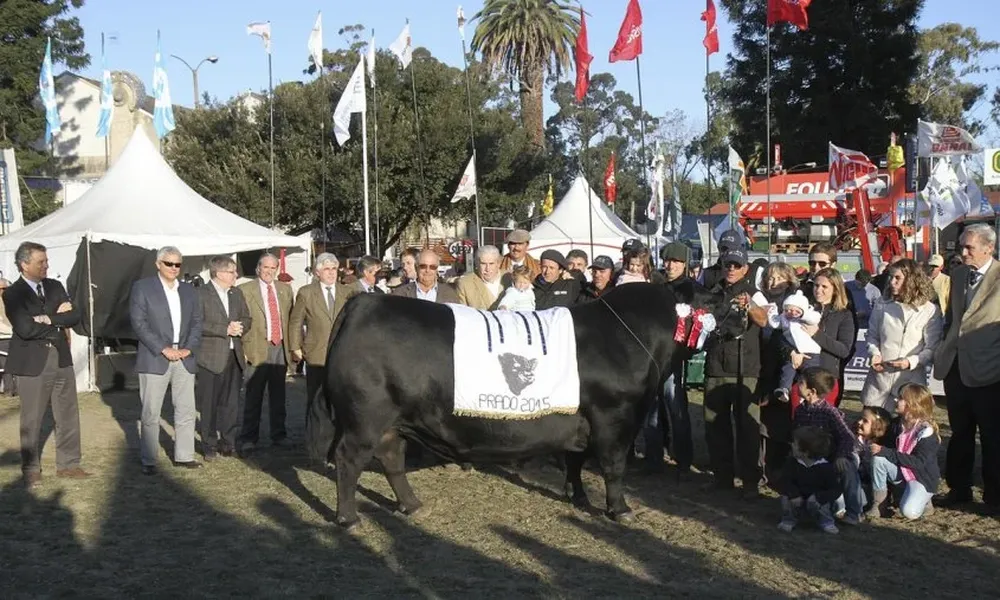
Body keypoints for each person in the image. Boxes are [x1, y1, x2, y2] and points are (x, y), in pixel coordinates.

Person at [6, 241, 88, 487]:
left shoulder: (55, 286)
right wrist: (57, 322)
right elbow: (25, 328)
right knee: (32, 418)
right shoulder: (13, 294)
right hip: (32, 362)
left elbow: (75, 315)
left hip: (61, 357)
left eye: (47, 261)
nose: (46, 265)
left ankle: (69, 464)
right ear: (24, 264)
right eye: (41, 262)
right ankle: (31, 468)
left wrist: (46, 318)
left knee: (68, 413)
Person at [932, 223, 1000, 512]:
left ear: (989, 248)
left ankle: (994, 497)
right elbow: (953, 319)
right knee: (960, 432)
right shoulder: (958, 275)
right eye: (962, 245)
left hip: (990, 371)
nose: (963, 251)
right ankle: (959, 489)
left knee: (992, 436)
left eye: (969, 247)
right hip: (956, 367)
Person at [130, 246, 204, 475]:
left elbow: (197, 322)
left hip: (184, 357)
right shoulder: (142, 287)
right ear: (158, 264)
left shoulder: (189, 290)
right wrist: (163, 349)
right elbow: (139, 322)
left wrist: (188, 348)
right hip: (155, 357)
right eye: (169, 263)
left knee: (186, 410)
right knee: (151, 412)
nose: (174, 268)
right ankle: (149, 459)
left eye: (177, 264)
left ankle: (184, 455)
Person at [702, 247, 768, 498]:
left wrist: (749, 305)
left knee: (747, 428)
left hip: (745, 368)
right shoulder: (713, 292)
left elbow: (763, 320)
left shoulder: (754, 292)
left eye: (736, 265)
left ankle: (750, 481)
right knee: (714, 425)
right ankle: (722, 477)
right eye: (727, 264)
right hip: (716, 365)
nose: (731, 269)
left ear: (745, 269)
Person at [643, 242, 703, 475]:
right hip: (653, 355)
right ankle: (653, 457)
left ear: (685, 264)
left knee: (676, 408)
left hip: (674, 356)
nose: (671, 266)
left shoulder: (691, 289)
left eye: (676, 262)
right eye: (668, 261)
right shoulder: (657, 286)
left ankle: (683, 460)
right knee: (651, 409)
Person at [860, 259, 942, 411]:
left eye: (898, 278)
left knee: (906, 423)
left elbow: (931, 348)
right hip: (879, 381)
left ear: (912, 279)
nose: (892, 282)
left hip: (910, 384)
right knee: (873, 422)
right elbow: (872, 335)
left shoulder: (929, 311)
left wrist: (910, 362)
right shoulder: (882, 303)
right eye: (891, 277)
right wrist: (875, 353)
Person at [195, 256, 251, 461]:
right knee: (209, 404)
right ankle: (208, 444)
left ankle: (229, 442)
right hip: (210, 358)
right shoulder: (200, 294)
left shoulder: (236, 293)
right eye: (232, 271)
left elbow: (247, 318)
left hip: (234, 356)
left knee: (231, 404)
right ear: (218, 273)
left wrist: (241, 326)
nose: (236, 275)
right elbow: (196, 323)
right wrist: (224, 329)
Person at [238, 253, 295, 453]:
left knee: (279, 395)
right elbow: (240, 320)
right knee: (254, 395)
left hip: (280, 348)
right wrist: (243, 349)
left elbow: (291, 319)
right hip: (255, 348)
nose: (269, 271)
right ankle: (248, 437)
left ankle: (279, 435)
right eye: (266, 267)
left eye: (273, 268)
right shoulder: (245, 290)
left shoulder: (285, 290)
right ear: (258, 268)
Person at [793, 367, 863, 525]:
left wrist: (840, 456)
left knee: (847, 467)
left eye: (801, 382)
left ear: (812, 391)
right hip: (809, 459)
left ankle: (854, 512)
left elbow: (847, 437)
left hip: (831, 458)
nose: (797, 384)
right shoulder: (799, 411)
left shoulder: (830, 412)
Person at [867, 383, 941, 520]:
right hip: (902, 471)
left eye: (901, 398)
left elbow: (919, 463)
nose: (896, 400)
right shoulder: (896, 424)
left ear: (912, 404)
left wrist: (886, 451)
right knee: (879, 459)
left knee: (909, 512)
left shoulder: (926, 432)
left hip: (920, 477)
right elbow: (886, 449)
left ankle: (925, 501)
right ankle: (879, 504)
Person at [788, 268, 856, 412]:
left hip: (826, 380)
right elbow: (786, 336)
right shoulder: (802, 310)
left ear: (835, 289)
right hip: (802, 378)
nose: (818, 290)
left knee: (821, 423)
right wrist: (792, 352)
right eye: (816, 285)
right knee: (798, 421)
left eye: (824, 286)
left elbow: (844, 350)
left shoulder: (844, 315)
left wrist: (817, 334)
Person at [776, 426, 842, 534]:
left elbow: (835, 489)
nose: (791, 445)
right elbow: (785, 480)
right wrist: (793, 494)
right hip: (798, 500)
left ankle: (826, 522)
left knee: (824, 504)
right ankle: (788, 520)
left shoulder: (826, 468)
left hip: (816, 502)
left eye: (795, 444)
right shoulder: (792, 463)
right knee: (785, 498)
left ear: (805, 452)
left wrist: (819, 497)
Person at [769, 290, 822, 402]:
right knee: (787, 369)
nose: (792, 313)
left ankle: (807, 392)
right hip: (794, 350)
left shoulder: (808, 316)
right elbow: (774, 323)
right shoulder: (784, 318)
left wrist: (803, 314)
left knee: (809, 373)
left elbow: (815, 318)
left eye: (796, 311)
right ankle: (784, 389)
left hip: (811, 351)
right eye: (788, 310)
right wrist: (772, 311)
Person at [391, 249, 461, 303]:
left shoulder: (450, 293)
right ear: (416, 267)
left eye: (432, 267)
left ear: (436, 269)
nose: (427, 270)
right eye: (423, 266)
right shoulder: (400, 293)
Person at [455, 245, 504, 310]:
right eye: (483, 264)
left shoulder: (510, 278)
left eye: (491, 263)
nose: (487, 269)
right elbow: (462, 312)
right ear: (477, 264)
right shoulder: (465, 284)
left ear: (498, 264)